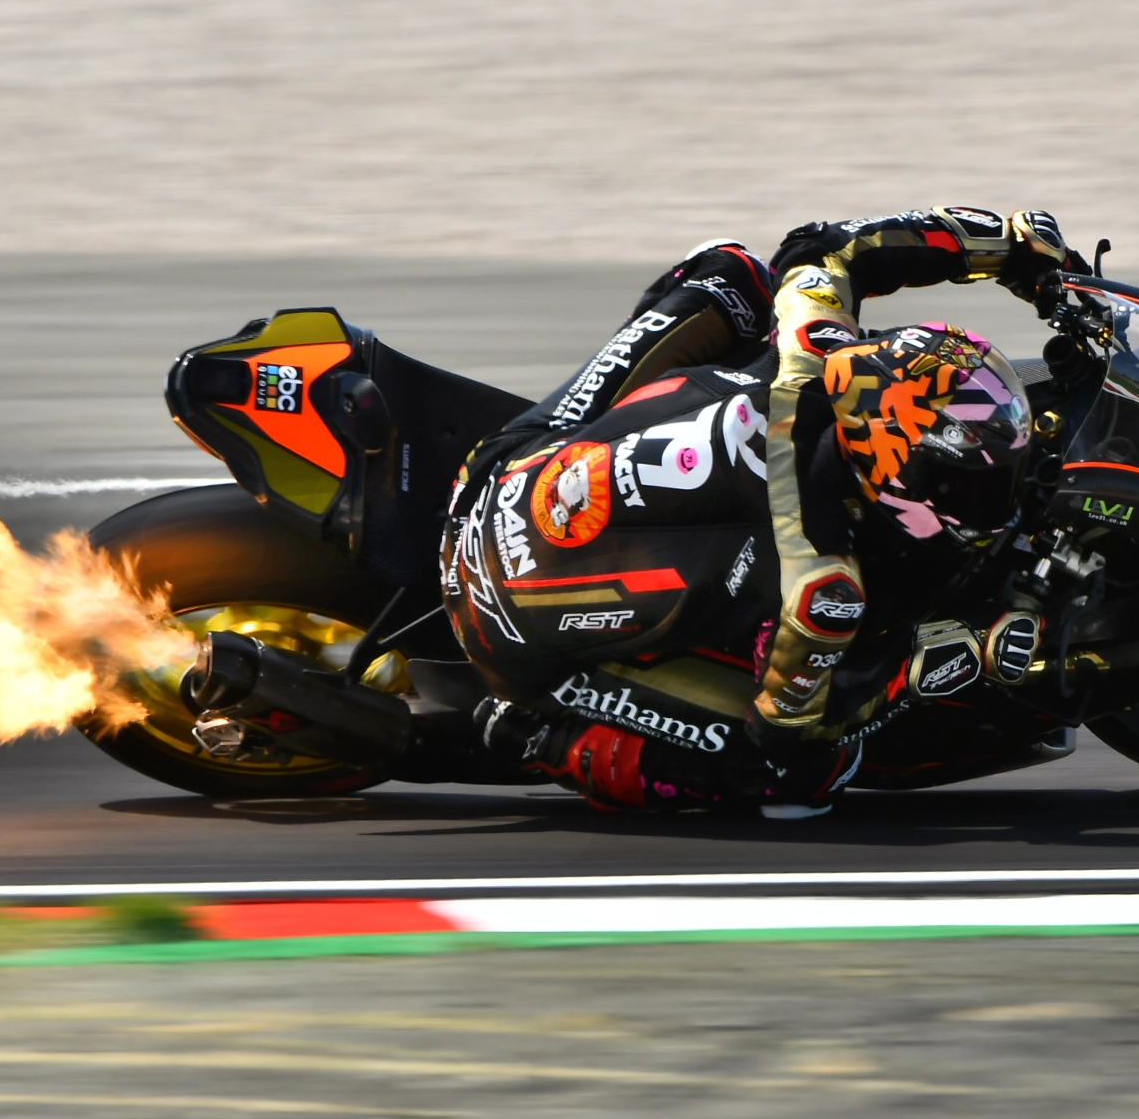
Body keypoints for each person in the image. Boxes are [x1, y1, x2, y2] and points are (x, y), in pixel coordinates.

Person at [438, 209, 1088, 815]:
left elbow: (826, 247)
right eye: (972, 487)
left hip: (498, 467)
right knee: (803, 774)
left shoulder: (812, 351)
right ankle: (544, 736)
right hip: (502, 634)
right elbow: (793, 724)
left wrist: (1006, 246)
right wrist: (951, 653)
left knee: (734, 273)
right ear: (897, 478)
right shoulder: (822, 585)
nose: (993, 497)